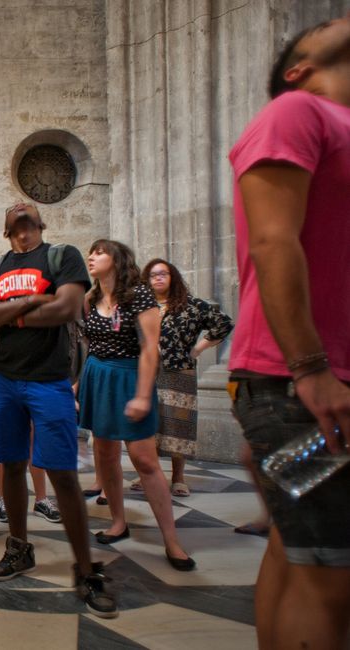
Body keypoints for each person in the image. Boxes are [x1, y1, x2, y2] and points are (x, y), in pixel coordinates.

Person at [227, 15, 350, 648]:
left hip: (307, 386)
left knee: (295, 547)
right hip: (302, 386)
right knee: (330, 580)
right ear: (297, 69)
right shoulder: (298, 110)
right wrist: (311, 369)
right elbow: (275, 241)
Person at [0, 203, 116, 617]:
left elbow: (67, 308)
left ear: (39, 223)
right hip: (3, 378)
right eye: (14, 218)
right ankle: (19, 548)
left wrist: (6, 312)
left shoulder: (62, 256)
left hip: (49, 380)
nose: (20, 219)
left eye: (27, 217)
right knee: (12, 465)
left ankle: (86, 569)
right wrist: (33, 302)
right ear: (5, 228)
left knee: (63, 475)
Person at [79, 240, 194, 571]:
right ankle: (118, 521)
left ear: (116, 260)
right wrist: (80, 382)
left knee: (145, 460)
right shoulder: (91, 297)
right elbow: (90, 343)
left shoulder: (140, 295)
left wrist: (143, 395)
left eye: (99, 252)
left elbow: (149, 349)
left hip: (129, 376)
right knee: (105, 453)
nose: (92, 257)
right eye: (91, 252)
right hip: (98, 376)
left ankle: (171, 540)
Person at [130, 259, 233, 497]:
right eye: (153, 274)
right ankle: (149, 472)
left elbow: (224, 323)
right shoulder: (141, 306)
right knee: (149, 423)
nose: (158, 278)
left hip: (179, 370)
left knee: (178, 425)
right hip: (145, 371)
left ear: (172, 277)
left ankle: (178, 477)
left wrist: (198, 349)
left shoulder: (191, 305)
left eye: (163, 274)